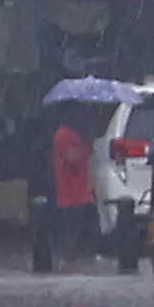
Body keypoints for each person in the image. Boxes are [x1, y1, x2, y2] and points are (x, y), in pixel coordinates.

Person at [35, 106, 95, 274]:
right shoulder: (65, 135)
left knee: (74, 227)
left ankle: (70, 260)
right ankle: (68, 261)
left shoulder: (68, 134)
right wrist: (87, 148)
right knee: (70, 228)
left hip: (78, 191)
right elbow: (72, 158)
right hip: (70, 192)